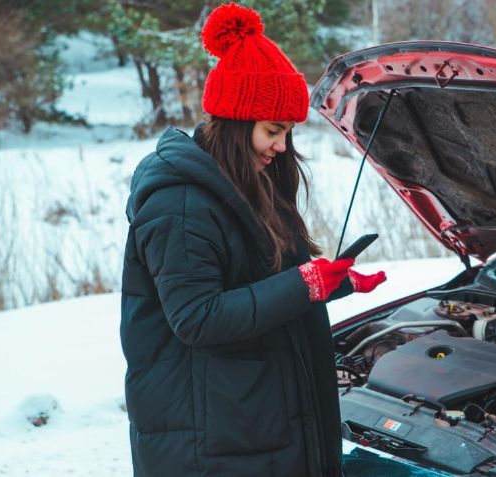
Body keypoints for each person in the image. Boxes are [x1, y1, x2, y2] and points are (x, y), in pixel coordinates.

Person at [119, 3, 386, 476]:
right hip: (208, 440)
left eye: (287, 132)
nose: (282, 146)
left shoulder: (245, 185)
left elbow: (262, 283)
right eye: (273, 130)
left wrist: (333, 281)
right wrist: (305, 285)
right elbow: (198, 318)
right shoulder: (180, 206)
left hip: (247, 421)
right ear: (238, 122)